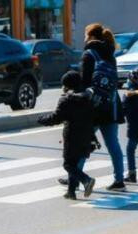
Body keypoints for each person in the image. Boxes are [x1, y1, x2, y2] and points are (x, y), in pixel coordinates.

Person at [81, 23, 126, 191]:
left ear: (91, 37)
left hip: (93, 107)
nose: (84, 38)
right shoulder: (110, 55)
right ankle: (119, 180)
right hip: (111, 104)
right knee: (113, 144)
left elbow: (85, 82)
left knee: (82, 141)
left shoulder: (89, 54)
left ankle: (75, 175)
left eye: (86, 35)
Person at [38, 71, 97, 200]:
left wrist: (41, 119)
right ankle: (71, 192)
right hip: (86, 134)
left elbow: (56, 118)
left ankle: (86, 180)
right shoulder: (88, 97)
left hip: (72, 135)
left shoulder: (67, 99)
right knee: (74, 164)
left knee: (68, 165)